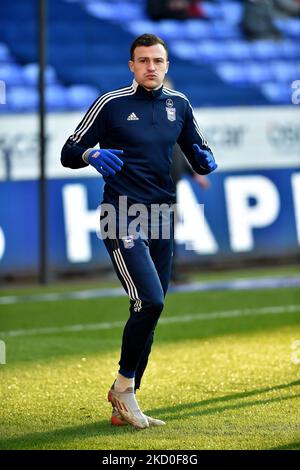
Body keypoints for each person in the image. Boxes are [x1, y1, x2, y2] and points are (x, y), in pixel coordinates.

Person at [61, 33, 217, 429]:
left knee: (150, 309)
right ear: (131, 65)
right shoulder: (111, 104)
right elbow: (68, 150)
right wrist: (90, 153)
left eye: (158, 61)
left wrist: (204, 157)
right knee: (151, 301)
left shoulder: (179, 104)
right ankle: (124, 389)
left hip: (164, 214)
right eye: (143, 60)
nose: (151, 67)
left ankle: (125, 398)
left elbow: (197, 146)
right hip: (121, 213)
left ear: (167, 65)